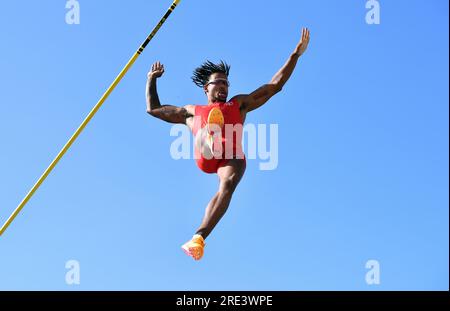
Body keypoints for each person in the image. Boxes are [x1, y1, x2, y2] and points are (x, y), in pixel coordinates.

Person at [146, 28, 310, 261]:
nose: (224, 86)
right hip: (206, 154)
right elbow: (153, 109)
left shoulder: (239, 104)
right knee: (205, 127)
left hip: (229, 156)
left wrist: (295, 55)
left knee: (229, 183)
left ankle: (198, 238)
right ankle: (209, 136)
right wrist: (151, 79)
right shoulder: (191, 111)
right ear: (206, 88)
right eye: (218, 82)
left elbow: (274, 86)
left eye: (226, 83)